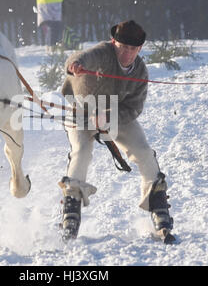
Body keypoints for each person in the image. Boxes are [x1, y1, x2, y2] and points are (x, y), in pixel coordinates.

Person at [59, 20, 174, 243]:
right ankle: (70, 214)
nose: (127, 53)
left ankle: (159, 210)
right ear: (114, 42)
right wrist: (75, 64)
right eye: (123, 47)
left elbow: (134, 108)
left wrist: (109, 118)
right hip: (81, 110)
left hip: (116, 114)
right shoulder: (103, 53)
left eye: (133, 49)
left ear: (139, 49)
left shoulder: (140, 70)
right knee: (81, 153)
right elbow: (81, 57)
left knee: (144, 152)